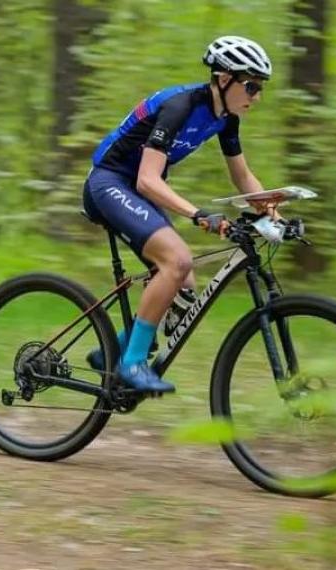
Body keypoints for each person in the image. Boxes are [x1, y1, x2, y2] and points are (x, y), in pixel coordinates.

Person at [82, 36, 274, 395]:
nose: (256, 95)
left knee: (183, 282)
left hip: (135, 190)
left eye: (259, 88)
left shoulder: (226, 118)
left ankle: (111, 350)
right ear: (223, 78)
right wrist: (198, 214)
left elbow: (243, 177)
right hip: (109, 183)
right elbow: (147, 178)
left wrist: (271, 207)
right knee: (177, 259)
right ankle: (131, 364)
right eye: (251, 85)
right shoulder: (179, 106)